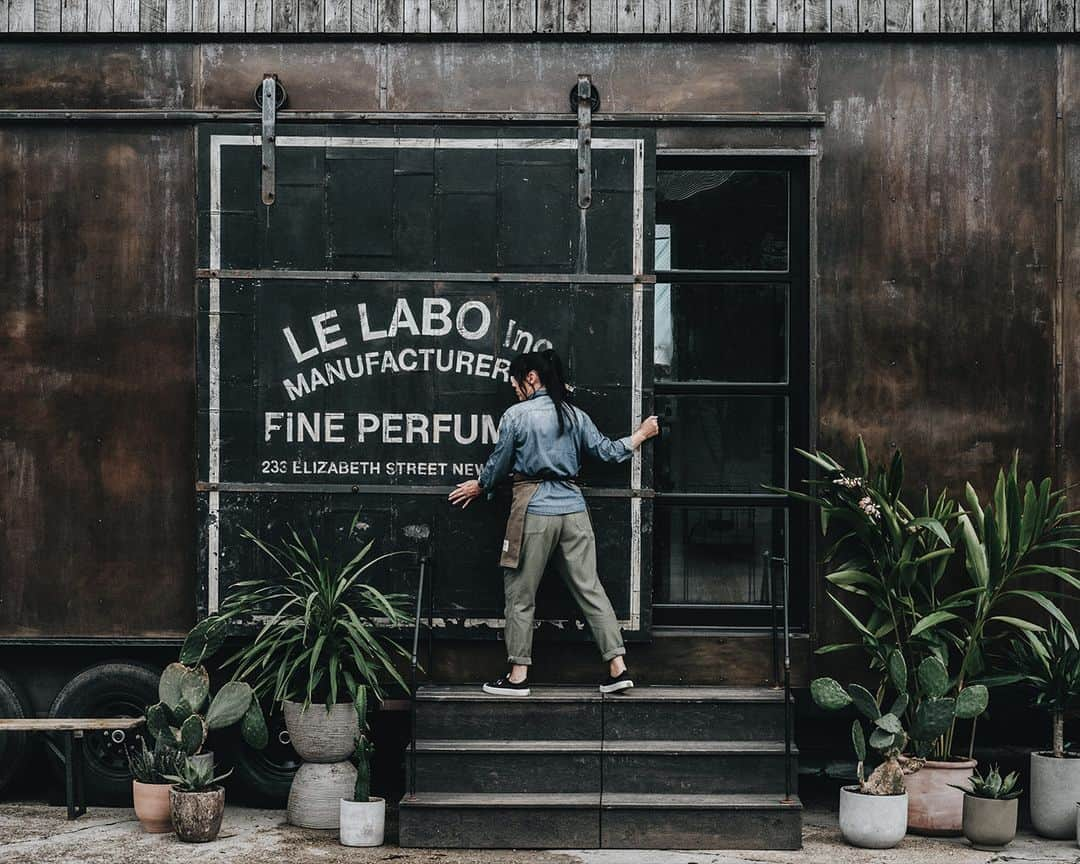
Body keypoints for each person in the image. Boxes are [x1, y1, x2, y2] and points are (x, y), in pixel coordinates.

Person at [447, 349, 660, 696]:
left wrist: (479, 484)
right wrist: (640, 435)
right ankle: (617, 668)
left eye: (517, 383)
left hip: (533, 509)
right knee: (590, 589)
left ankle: (518, 676)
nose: (515, 390)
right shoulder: (574, 415)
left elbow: (499, 464)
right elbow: (606, 451)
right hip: (574, 511)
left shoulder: (517, 415)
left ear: (531, 377)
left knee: (520, 593)